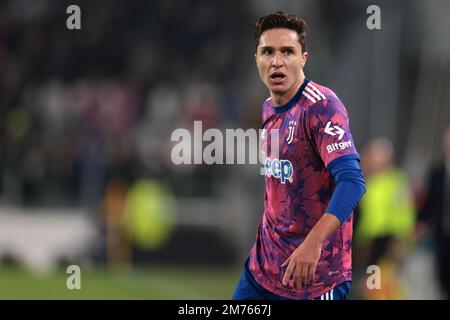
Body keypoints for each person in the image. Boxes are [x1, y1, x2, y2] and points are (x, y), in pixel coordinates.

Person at [232, 11, 365, 300]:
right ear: (256, 58)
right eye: (268, 51)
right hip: (262, 272)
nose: (277, 61)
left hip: (316, 278)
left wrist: (312, 243)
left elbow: (353, 182)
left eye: (287, 52)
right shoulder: (268, 107)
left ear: (303, 58)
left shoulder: (322, 106)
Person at [418, 125, 450, 299]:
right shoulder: (436, 172)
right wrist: (421, 223)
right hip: (441, 232)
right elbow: (429, 202)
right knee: (441, 275)